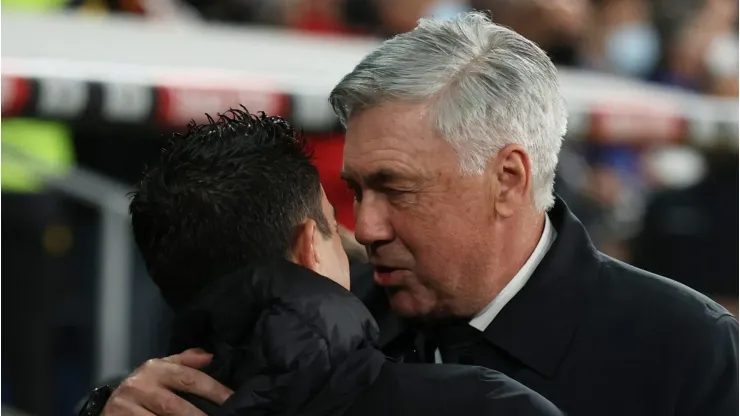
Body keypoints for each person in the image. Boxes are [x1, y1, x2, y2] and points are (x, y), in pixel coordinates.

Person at [94, 12, 738, 416]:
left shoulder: (688, 349)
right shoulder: (310, 322)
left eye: (395, 189)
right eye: (355, 189)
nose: (364, 227)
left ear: (507, 179)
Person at [79, 108, 562, 415]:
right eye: (335, 222)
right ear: (309, 246)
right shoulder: (486, 407)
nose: (362, 234)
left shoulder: (125, 406)